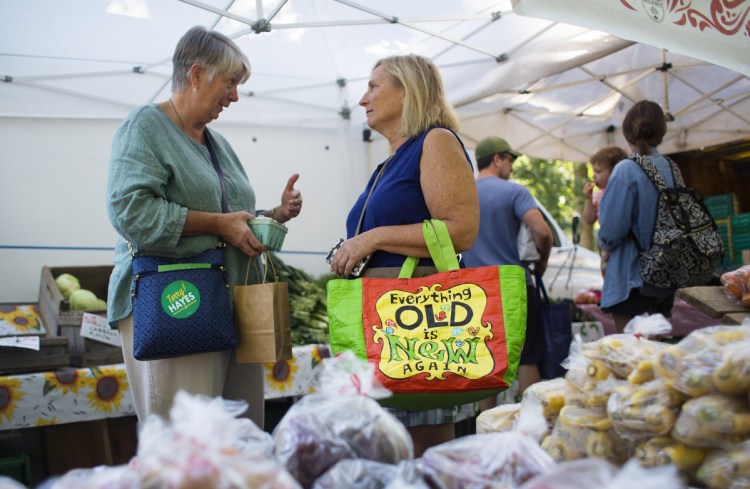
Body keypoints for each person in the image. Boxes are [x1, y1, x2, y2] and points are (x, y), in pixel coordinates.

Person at [106, 26, 302, 427]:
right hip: (178, 303)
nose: (234, 96)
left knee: (238, 438)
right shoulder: (144, 127)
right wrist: (219, 226)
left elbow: (231, 220)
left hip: (230, 307)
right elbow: (131, 212)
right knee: (186, 443)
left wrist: (274, 215)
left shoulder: (216, 143)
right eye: (229, 82)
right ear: (196, 75)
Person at [329, 54, 479, 456]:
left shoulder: (436, 141)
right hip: (386, 321)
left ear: (408, 90)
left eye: (374, 86)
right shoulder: (390, 162)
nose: (363, 98)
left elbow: (461, 230)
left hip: (418, 320)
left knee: (422, 442)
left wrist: (373, 238)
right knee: (390, 443)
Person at [462, 136, 553, 409]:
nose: (511, 167)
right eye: (509, 160)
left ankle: (485, 431)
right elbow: (543, 231)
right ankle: (531, 427)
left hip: (476, 291)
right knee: (527, 357)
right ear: (497, 159)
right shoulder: (514, 192)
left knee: (484, 361)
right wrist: (542, 261)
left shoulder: (463, 194)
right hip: (514, 288)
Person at [598, 100, 675, 333]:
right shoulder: (671, 167)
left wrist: (603, 247)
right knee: (654, 359)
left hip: (632, 279)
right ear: (661, 132)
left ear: (627, 131)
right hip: (664, 278)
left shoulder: (626, 169)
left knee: (632, 361)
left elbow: (611, 232)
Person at [582, 146, 627, 277]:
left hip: (620, 243)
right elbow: (589, 219)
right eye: (593, 171)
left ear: (615, 172)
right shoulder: (599, 195)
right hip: (604, 243)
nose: (594, 175)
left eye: (599, 171)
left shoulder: (622, 193)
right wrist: (588, 198)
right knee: (607, 274)